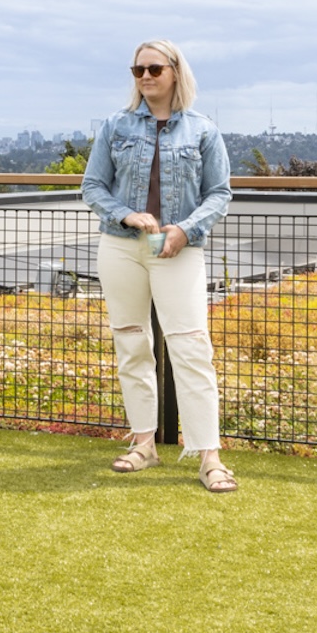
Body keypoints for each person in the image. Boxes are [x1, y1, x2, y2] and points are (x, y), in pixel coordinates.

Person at [78, 39, 237, 492]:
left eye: (153, 69)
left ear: (174, 71)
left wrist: (184, 229)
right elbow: (93, 186)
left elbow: (220, 193)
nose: (145, 77)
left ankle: (209, 457)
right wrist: (126, 215)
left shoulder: (202, 131)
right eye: (137, 70)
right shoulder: (116, 126)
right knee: (131, 343)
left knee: (190, 347)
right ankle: (144, 442)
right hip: (122, 247)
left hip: (178, 249)